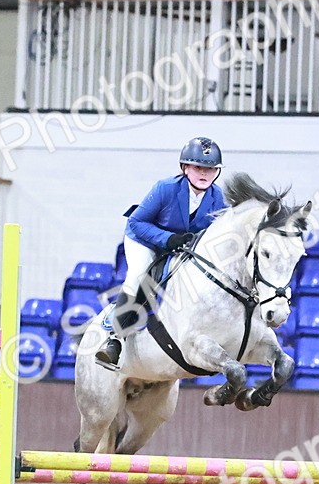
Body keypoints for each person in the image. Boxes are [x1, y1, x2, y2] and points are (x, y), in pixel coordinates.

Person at [95, 136, 226, 369]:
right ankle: (114, 340)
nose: (204, 173)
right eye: (198, 167)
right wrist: (168, 239)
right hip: (145, 241)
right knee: (138, 276)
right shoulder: (165, 188)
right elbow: (136, 223)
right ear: (185, 167)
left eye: (210, 169)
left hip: (180, 247)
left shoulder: (217, 198)